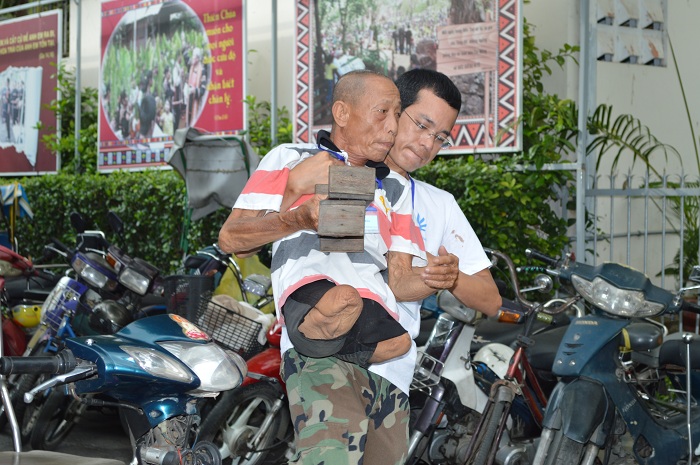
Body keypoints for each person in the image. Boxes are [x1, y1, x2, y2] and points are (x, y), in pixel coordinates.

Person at [219, 70, 459, 465]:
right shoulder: (291, 158)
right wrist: (295, 211)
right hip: (320, 351)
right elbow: (232, 239)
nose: (392, 127)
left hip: (386, 361)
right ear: (342, 113)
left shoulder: (393, 188)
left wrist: (437, 278)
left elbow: (400, 282)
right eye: (382, 112)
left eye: (396, 114)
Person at [273, 68, 502, 464]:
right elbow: (257, 231)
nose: (428, 143)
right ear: (392, 113)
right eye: (422, 125)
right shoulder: (320, 166)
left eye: (441, 137)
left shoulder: (439, 204)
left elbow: (491, 299)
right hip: (326, 351)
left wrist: (449, 277)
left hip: (393, 368)